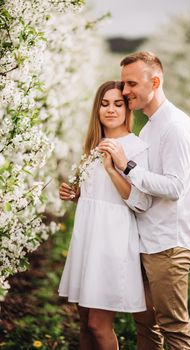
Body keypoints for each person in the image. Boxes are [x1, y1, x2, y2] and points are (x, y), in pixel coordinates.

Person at [98, 51, 190, 350]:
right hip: (147, 241)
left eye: (131, 84)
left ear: (154, 81)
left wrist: (128, 165)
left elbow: (175, 187)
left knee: (175, 329)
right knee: (146, 326)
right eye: (124, 83)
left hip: (169, 245)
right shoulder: (150, 126)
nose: (125, 91)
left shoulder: (176, 126)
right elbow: (141, 189)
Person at [58, 80, 152, 350]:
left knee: (99, 325)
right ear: (97, 109)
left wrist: (113, 170)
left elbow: (141, 201)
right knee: (85, 321)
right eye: (105, 103)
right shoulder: (92, 146)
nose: (110, 109)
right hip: (88, 237)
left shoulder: (134, 148)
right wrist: (76, 194)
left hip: (112, 240)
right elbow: (98, 197)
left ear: (126, 109)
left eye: (117, 104)